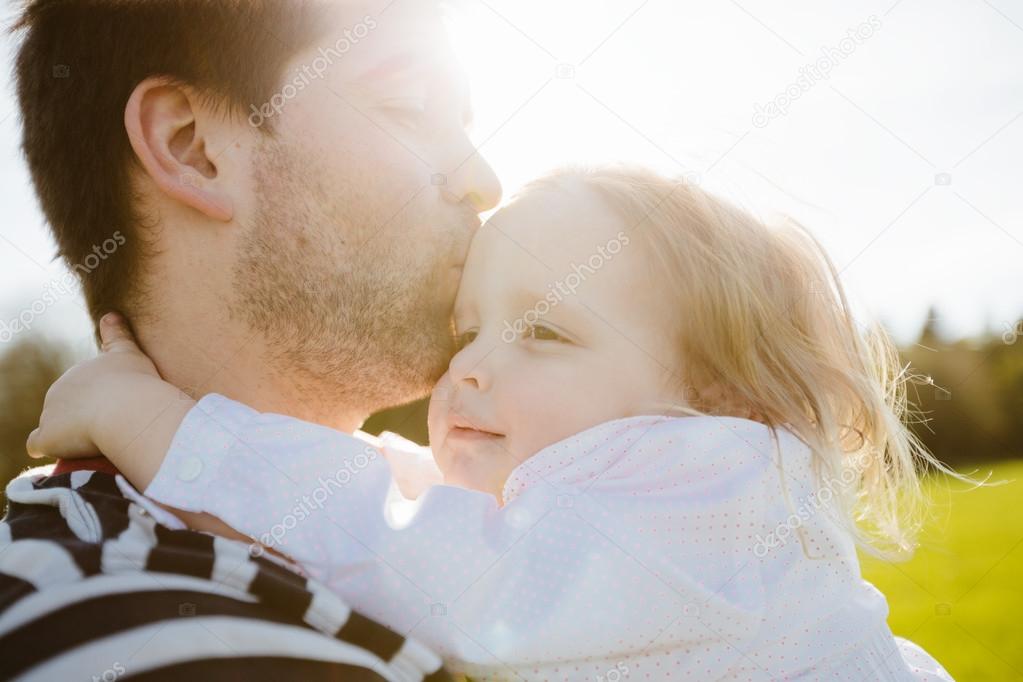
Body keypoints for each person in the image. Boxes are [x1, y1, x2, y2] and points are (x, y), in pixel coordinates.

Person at [31, 167, 954, 680]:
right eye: (467, 329)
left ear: (723, 400)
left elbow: (411, 551)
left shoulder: (705, 483)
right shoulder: (638, 509)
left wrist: (156, 422)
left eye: (544, 331)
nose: (466, 364)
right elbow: (424, 504)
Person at [1, 0, 500, 678]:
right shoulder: (126, 631)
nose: (483, 184)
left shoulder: (450, 519)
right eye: (408, 106)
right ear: (192, 147)